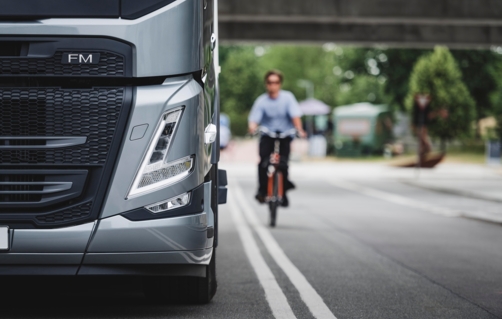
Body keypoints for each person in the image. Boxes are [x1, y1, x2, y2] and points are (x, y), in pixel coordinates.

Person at [248, 70, 306, 207]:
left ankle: (284, 192)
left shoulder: (288, 98)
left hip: (285, 134)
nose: (272, 85)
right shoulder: (261, 101)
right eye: (270, 82)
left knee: (284, 164)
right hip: (268, 135)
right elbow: (254, 119)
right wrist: (252, 128)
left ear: (280, 84)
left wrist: (300, 130)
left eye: (276, 82)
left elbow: (295, 116)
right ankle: (262, 191)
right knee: (263, 163)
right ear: (266, 84)